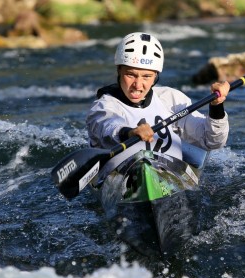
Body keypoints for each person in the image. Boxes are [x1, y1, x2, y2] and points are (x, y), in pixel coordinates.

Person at [86, 32, 230, 173]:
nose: (138, 85)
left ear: (156, 75)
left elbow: (213, 141)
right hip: (124, 174)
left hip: (168, 173)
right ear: (119, 70)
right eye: (131, 75)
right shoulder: (104, 106)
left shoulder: (171, 99)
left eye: (146, 76)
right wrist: (130, 132)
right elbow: (108, 126)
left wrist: (216, 106)